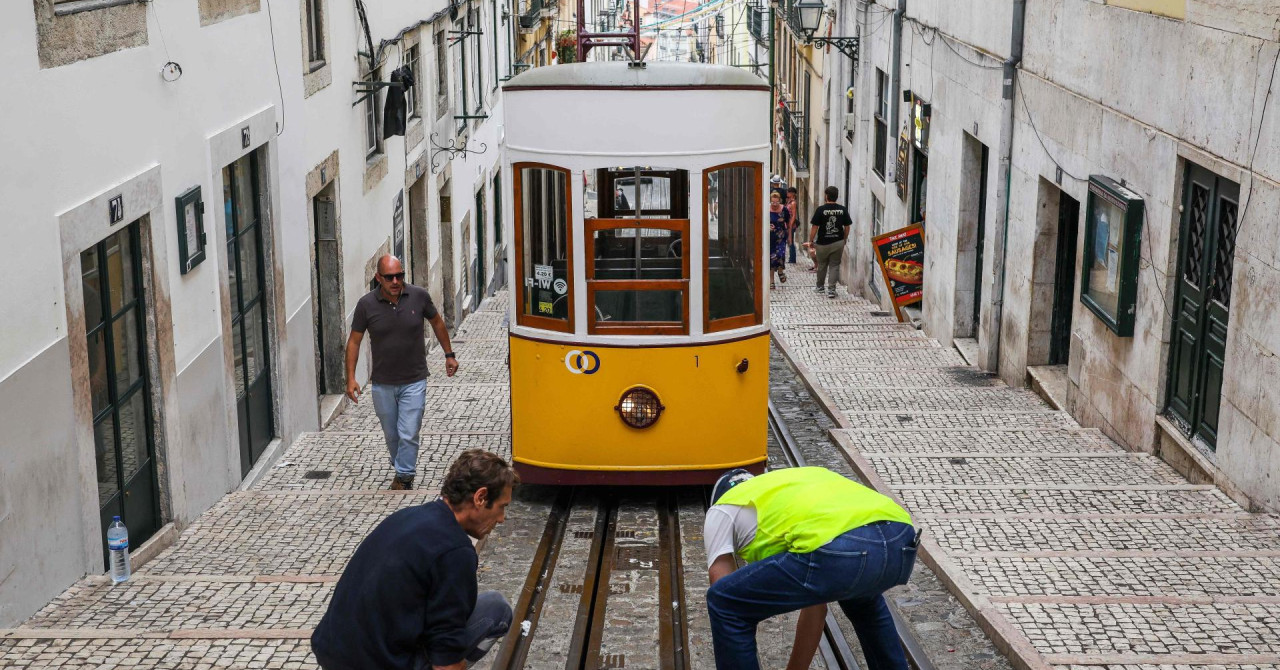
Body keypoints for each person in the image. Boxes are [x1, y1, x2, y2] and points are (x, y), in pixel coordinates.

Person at [311, 449, 518, 670]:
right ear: (480, 497)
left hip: (332, 654)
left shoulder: (407, 516)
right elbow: (445, 653)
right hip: (381, 663)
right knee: (497, 609)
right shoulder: (455, 551)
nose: (502, 519)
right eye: (501, 507)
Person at [704, 467, 918, 670]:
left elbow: (724, 588)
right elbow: (816, 607)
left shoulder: (722, 508)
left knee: (725, 602)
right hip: (900, 537)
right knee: (863, 601)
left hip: (841, 548)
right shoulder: (785, 492)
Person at [346, 255, 458, 490]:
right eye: (390, 277)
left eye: (400, 275)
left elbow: (437, 323)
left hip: (414, 380)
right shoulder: (366, 305)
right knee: (392, 435)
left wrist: (449, 355)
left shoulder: (419, 296)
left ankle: (404, 476)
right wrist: (351, 378)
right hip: (382, 383)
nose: (396, 281)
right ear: (378, 278)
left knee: (408, 432)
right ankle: (401, 466)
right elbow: (354, 341)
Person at [808, 186, 854, 298]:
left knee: (822, 265)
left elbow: (815, 226)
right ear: (836, 196)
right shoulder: (842, 210)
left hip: (823, 243)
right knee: (834, 265)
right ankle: (832, 290)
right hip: (837, 242)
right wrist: (844, 239)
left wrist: (811, 240)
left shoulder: (820, 210)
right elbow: (847, 226)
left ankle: (820, 287)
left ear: (826, 196)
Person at [768, 191, 789, 288]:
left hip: (781, 237)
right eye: (773, 202)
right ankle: (771, 282)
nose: (775, 204)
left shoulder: (784, 209)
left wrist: (790, 237)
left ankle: (780, 271)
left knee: (780, 255)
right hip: (770, 237)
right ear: (770, 201)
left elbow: (788, 223)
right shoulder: (766, 209)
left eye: (776, 202)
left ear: (779, 201)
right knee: (771, 259)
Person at [785, 187, 799, 264]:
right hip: (788, 224)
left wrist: (790, 224)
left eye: (789, 192)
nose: (787, 193)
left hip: (791, 225)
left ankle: (792, 259)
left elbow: (794, 215)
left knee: (791, 241)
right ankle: (791, 258)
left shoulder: (793, 203)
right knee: (789, 241)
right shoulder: (789, 202)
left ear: (792, 193)